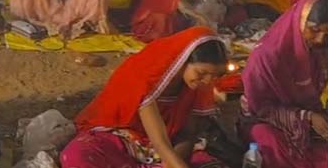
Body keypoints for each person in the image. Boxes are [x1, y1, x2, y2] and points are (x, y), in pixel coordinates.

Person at [60, 27, 229, 168]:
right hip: (126, 138)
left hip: (168, 150)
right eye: (201, 73)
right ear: (183, 60)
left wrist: (173, 164)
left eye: (215, 76)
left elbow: (187, 134)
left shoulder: (200, 86)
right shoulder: (145, 77)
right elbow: (159, 141)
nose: (208, 81)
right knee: (77, 155)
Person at [239, 0, 328, 168]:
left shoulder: (320, 51)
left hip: (309, 117)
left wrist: (314, 117)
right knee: (271, 144)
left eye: (327, 34)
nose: (320, 39)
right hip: (264, 121)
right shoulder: (267, 56)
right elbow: (259, 108)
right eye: (314, 30)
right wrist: (307, 117)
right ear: (299, 22)